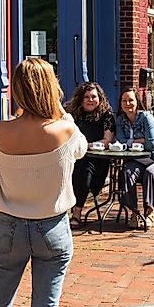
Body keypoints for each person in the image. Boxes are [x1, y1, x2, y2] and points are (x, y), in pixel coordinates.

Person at [0, 58, 87, 307]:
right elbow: (82, 149)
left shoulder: (0, 131)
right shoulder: (65, 130)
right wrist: (60, 111)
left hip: (9, 227)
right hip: (52, 227)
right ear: (51, 89)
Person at [115, 86, 154, 230]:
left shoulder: (146, 117)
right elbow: (121, 141)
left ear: (137, 101)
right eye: (124, 100)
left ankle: (150, 212)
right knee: (126, 172)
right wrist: (139, 140)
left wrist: (131, 142)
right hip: (137, 161)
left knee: (151, 173)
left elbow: (151, 144)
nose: (127, 103)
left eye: (131, 100)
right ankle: (134, 213)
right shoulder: (120, 120)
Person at [64, 82, 115, 228]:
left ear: (100, 98)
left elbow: (107, 141)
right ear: (81, 99)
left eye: (94, 96)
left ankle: (77, 213)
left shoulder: (107, 116)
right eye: (86, 97)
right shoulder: (73, 115)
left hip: (96, 159)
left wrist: (85, 146)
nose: (90, 100)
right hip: (73, 156)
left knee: (84, 172)